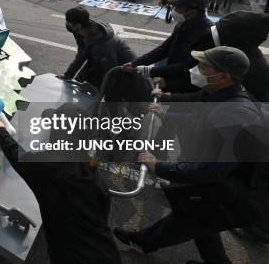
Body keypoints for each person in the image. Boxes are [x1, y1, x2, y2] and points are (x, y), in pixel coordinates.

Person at [114, 46, 268, 264]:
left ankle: (141, 241)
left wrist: (158, 166)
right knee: (201, 222)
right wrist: (167, 109)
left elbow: (210, 170)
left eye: (204, 66)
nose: (197, 69)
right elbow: (200, 112)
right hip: (230, 188)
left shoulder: (234, 113)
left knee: (191, 219)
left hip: (243, 194)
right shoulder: (222, 94)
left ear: (223, 76)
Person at [0, 104, 122, 264]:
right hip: (107, 254)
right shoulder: (90, 171)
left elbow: (17, 155)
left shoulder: (49, 167)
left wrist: (0, 129)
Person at [123, 0, 213, 94]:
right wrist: (136, 63)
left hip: (191, 86)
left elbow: (190, 66)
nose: (174, 10)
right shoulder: (183, 24)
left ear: (192, 12)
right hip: (174, 76)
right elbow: (164, 49)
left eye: (178, 7)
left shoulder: (207, 34)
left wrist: (150, 71)